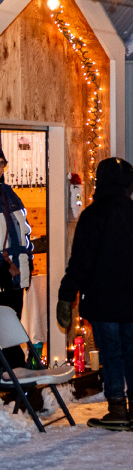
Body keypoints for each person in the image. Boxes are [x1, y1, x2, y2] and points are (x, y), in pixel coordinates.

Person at [57, 158, 133, 432]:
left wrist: (66, 296)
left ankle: (117, 410)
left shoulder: (93, 214)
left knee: (111, 354)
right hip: (131, 301)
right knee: (131, 354)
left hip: (103, 300)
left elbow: (80, 261)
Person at [0, 147, 33, 370]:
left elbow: (24, 233)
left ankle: (18, 389)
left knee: (12, 333)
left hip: (15, 279)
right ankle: (19, 386)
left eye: (1, 164)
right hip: (2, 276)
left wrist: (27, 260)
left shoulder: (10, 195)